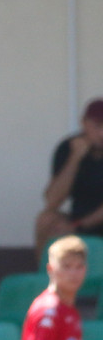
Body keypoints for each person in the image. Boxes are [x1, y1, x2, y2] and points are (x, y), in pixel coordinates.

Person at [34, 98, 103, 257]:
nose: (102, 133)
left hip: (85, 222)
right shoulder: (68, 147)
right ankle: (48, 278)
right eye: (97, 126)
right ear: (84, 123)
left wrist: (78, 226)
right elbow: (52, 201)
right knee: (46, 220)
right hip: (78, 221)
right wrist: (75, 157)